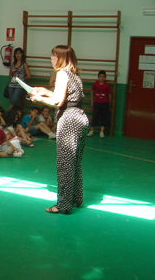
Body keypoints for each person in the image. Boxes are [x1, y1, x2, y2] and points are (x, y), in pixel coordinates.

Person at [29, 45, 89, 214]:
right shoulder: (74, 74)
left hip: (69, 120)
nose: (51, 58)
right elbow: (66, 96)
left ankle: (63, 204)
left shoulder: (62, 73)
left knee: (65, 164)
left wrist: (38, 97)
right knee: (75, 162)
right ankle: (76, 197)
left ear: (61, 58)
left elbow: (57, 101)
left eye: (54, 56)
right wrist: (45, 91)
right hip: (80, 118)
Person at [88, 70, 112, 138]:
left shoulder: (107, 85)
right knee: (95, 116)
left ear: (105, 77)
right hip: (97, 103)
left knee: (104, 117)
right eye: (100, 76)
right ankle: (92, 130)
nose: (102, 78)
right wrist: (92, 102)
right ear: (98, 77)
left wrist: (109, 105)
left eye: (103, 77)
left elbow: (110, 95)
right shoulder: (96, 84)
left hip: (105, 103)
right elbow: (92, 91)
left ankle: (102, 132)